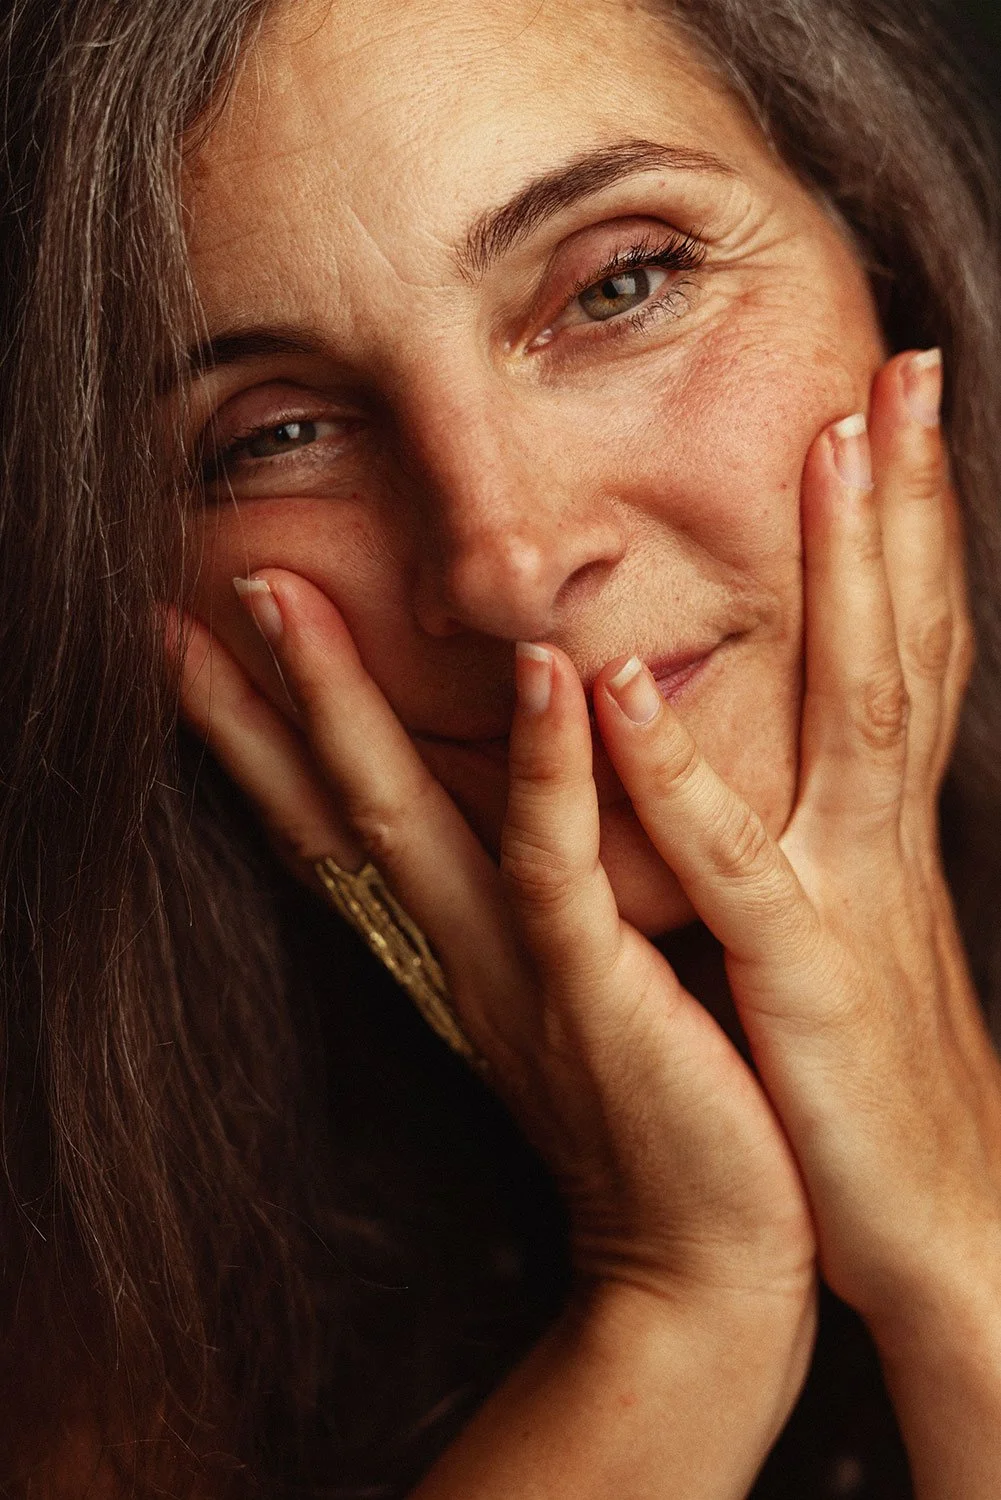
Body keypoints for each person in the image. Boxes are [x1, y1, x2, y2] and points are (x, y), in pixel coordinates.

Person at [3, 0, 1001, 1493]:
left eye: (623, 284)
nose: (504, 558)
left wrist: (960, 1245)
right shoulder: (74, 1251)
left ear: (880, 251)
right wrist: (681, 1301)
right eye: (274, 436)